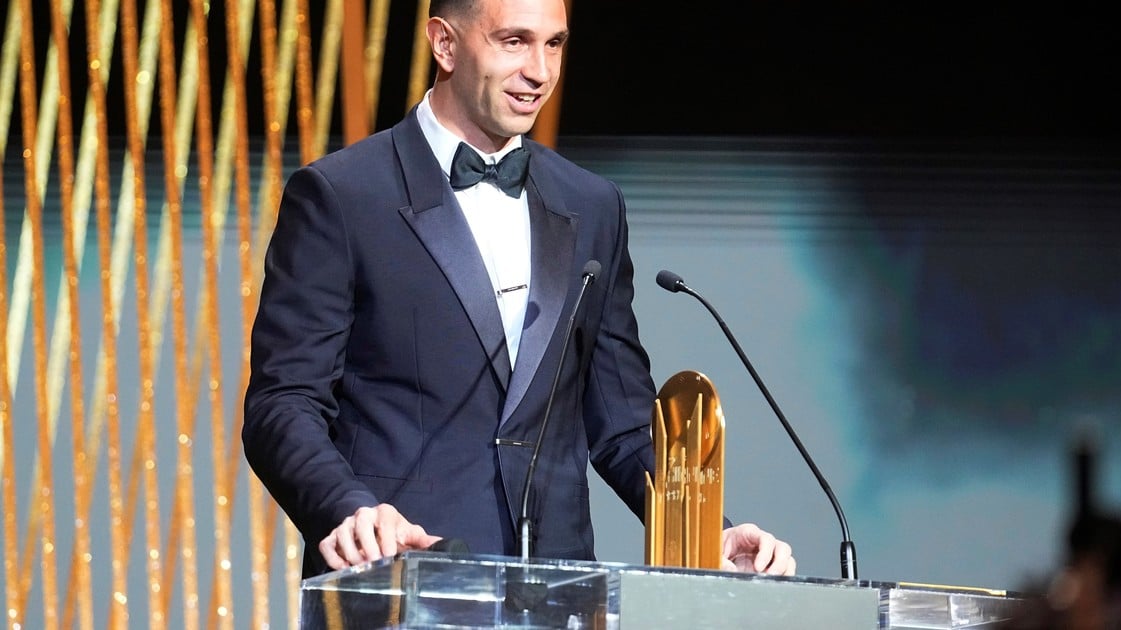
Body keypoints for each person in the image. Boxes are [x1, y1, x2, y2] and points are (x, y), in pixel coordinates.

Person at [243, 0, 796, 579]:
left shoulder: (592, 205)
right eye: (514, 42)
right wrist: (348, 510)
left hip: (559, 589)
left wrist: (709, 533)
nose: (540, 71)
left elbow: (624, 425)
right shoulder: (342, 195)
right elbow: (284, 403)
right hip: (401, 575)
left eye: (554, 44)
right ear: (444, 44)